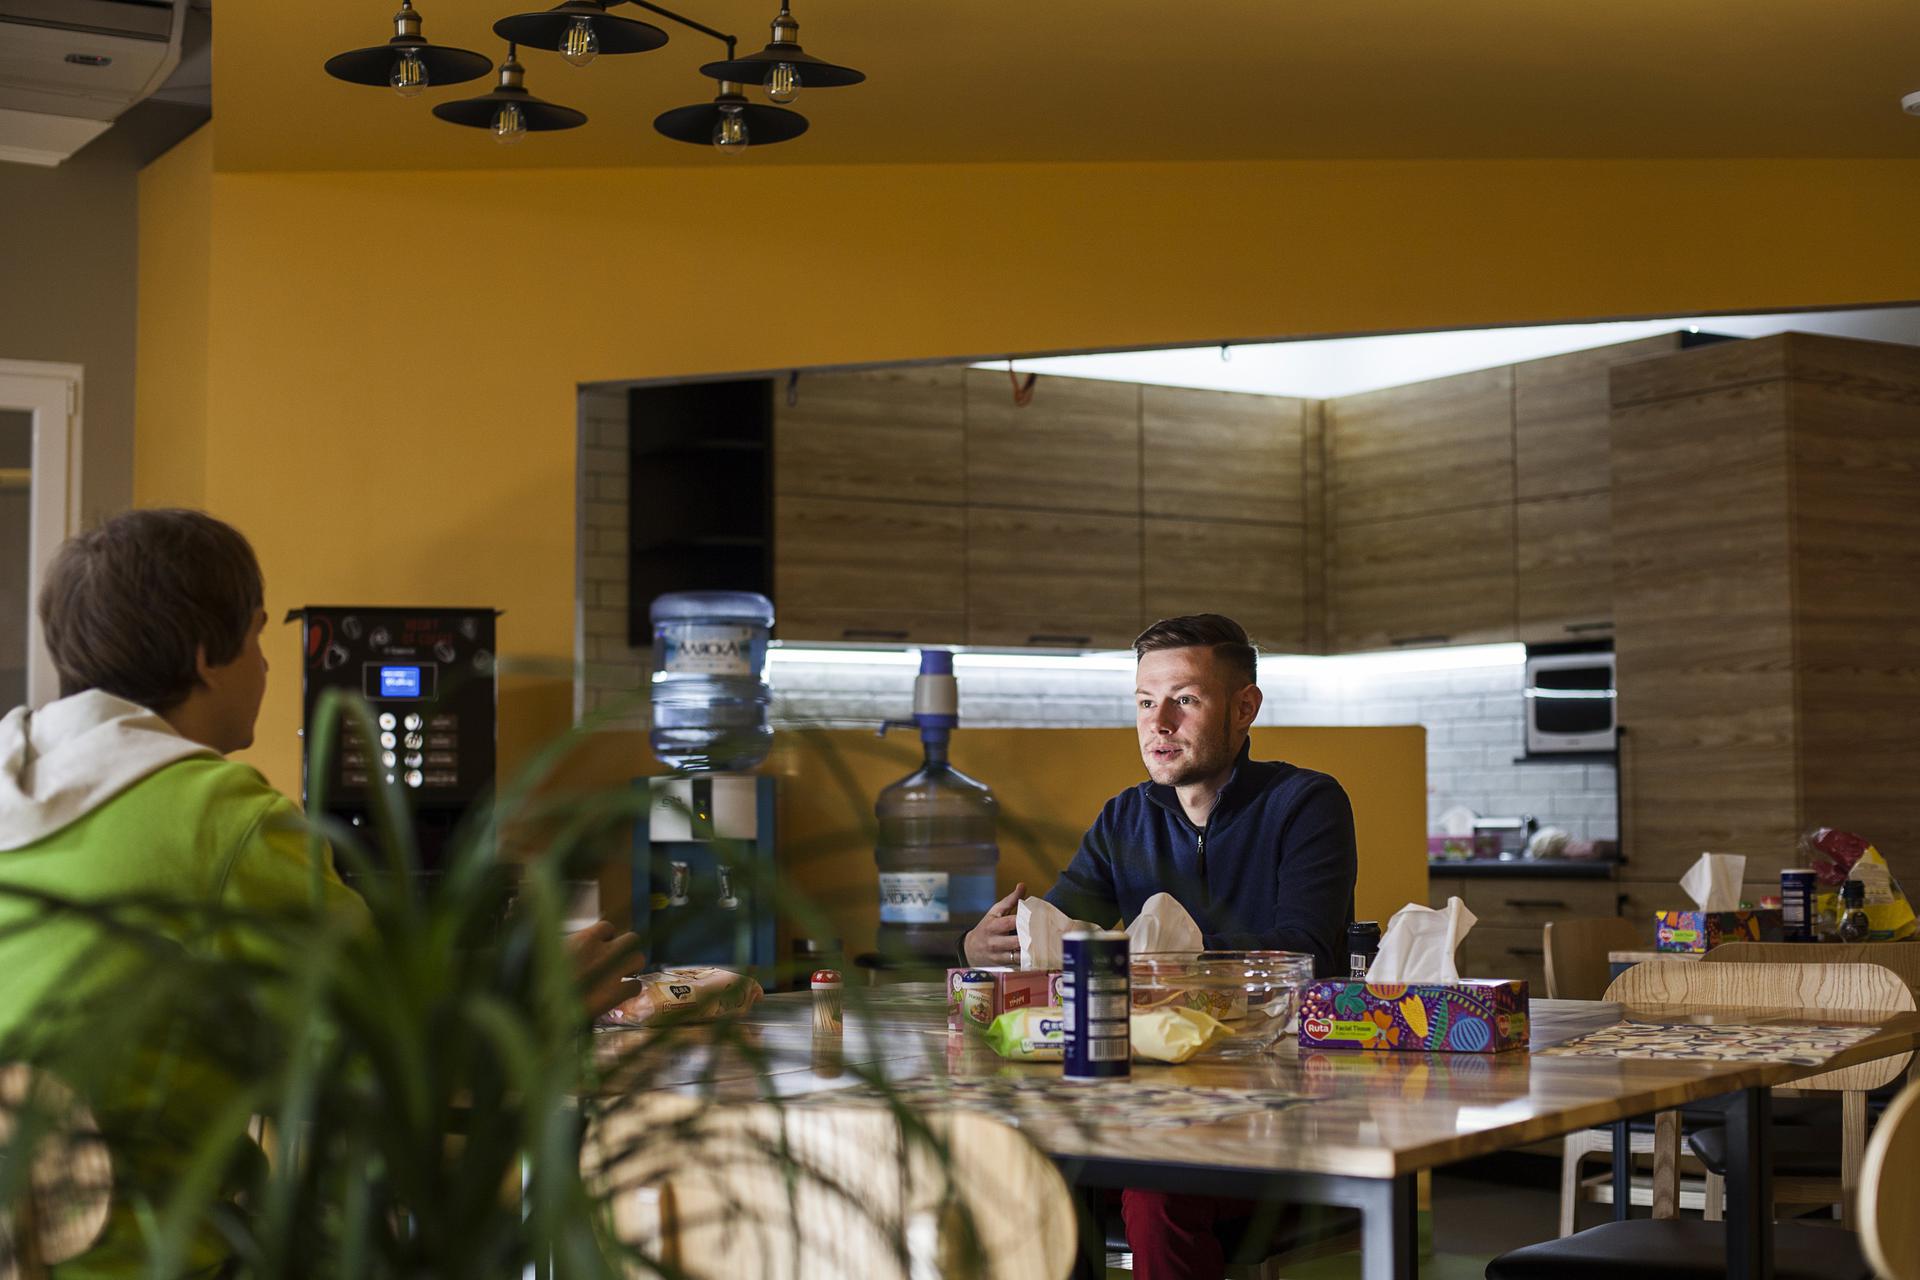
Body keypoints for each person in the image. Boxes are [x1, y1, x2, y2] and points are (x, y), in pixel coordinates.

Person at [0, 508, 637, 1276]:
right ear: (206, 658)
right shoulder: (218, 816)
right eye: (258, 636)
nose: (267, 667)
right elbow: (388, 1049)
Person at [959, 612, 1358, 1280]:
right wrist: (984, 945)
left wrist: (1144, 963)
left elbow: (1304, 952)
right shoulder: (1125, 817)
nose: (1159, 723)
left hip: (1278, 1113)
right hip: (1139, 1106)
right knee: (1018, 1162)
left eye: (1185, 700)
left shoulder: (1305, 803)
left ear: (1244, 709)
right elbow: (1057, 934)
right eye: (1146, 702)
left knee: (1156, 1185)